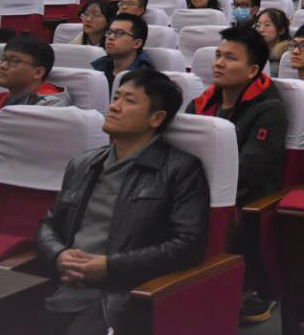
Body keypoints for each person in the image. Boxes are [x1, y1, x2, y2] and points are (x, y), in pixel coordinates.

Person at [37, 69, 208, 335]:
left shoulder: (180, 169)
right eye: (116, 97)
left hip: (118, 297)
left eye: (129, 101)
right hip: (60, 286)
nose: (114, 107)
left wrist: (110, 266)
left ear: (156, 118)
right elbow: (49, 223)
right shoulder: (83, 164)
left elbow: (187, 246)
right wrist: (58, 255)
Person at [186, 24, 286, 323]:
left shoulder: (269, 109)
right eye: (218, 55)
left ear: (252, 70)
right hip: (197, 189)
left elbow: (250, 169)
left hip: (245, 195)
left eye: (230, 58)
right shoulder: (201, 103)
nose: (219, 63)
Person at [0, 34, 72, 112]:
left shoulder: (51, 106)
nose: (2, 66)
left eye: (14, 61)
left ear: (38, 72)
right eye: (3, 59)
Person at [91, 14, 154, 95]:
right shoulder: (99, 67)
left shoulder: (145, 80)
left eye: (119, 33)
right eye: (109, 32)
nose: (110, 37)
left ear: (137, 43)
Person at [254, 8, 291, 76]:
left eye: (267, 25)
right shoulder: (252, 53)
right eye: (258, 25)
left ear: (281, 30)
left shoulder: (287, 57)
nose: (260, 30)